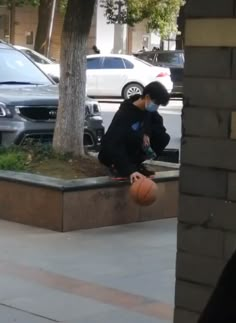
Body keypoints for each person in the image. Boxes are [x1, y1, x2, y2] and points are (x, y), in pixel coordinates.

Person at [98, 81, 170, 183]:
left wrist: (147, 133)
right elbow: (113, 143)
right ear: (147, 97)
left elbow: (158, 126)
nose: (156, 107)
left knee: (163, 137)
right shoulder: (125, 114)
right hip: (112, 152)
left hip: (133, 145)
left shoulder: (149, 111)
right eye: (156, 103)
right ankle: (120, 167)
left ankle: (136, 164)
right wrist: (129, 170)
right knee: (135, 136)